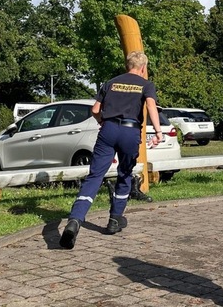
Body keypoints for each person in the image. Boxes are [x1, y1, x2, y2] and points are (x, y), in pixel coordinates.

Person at [60, 51, 163, 249]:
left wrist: (103, 123)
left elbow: (95, 110)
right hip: (130, 132)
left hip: (108, 130)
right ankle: (115, 219)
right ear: (143, 68)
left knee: (95, 176)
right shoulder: (146, 84)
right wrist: (157, 131)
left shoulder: (110, 82)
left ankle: (75, 220)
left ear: (127, 66)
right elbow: (151, 105)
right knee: (125, 174)